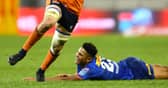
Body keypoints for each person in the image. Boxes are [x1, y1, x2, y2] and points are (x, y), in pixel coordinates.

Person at [25, 42, 168, 81]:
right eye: (78, 51)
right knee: (163, 68)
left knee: (164, 75)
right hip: (128, 63)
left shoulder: (91, 69)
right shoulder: (89, 62)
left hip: (133, 71)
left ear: (88, 59)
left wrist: (39, 80)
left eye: (80, 54)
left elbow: (66, 78)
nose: (76, 55)